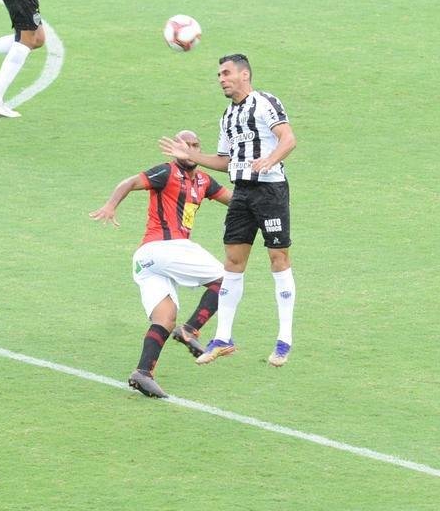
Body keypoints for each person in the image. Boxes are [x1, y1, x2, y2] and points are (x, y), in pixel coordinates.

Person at [159, 53, 297, 367]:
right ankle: (223, 338)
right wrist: (191, 156)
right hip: (242, 195)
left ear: (244, 74)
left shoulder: (265, 103)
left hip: (270, 190)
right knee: (233, 262)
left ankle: (284, 340)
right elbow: (224, 161)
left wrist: (269, 160)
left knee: (279, 258)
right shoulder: (227, 117)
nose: (221, 79)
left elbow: (288, 139)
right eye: (219, 75)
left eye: (226, 73)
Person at [90, 130, 232, 399]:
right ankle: (190, 330)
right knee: (227, 280)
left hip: (147, 261)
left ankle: (142, 373)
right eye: (185, 144)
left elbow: (233, 201)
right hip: (165, 247)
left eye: (195, 145)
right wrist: (110, 205)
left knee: (164, 319)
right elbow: (131, 182)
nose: (190, 148)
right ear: (176, 148)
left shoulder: (203, 181)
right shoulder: (166, 172)